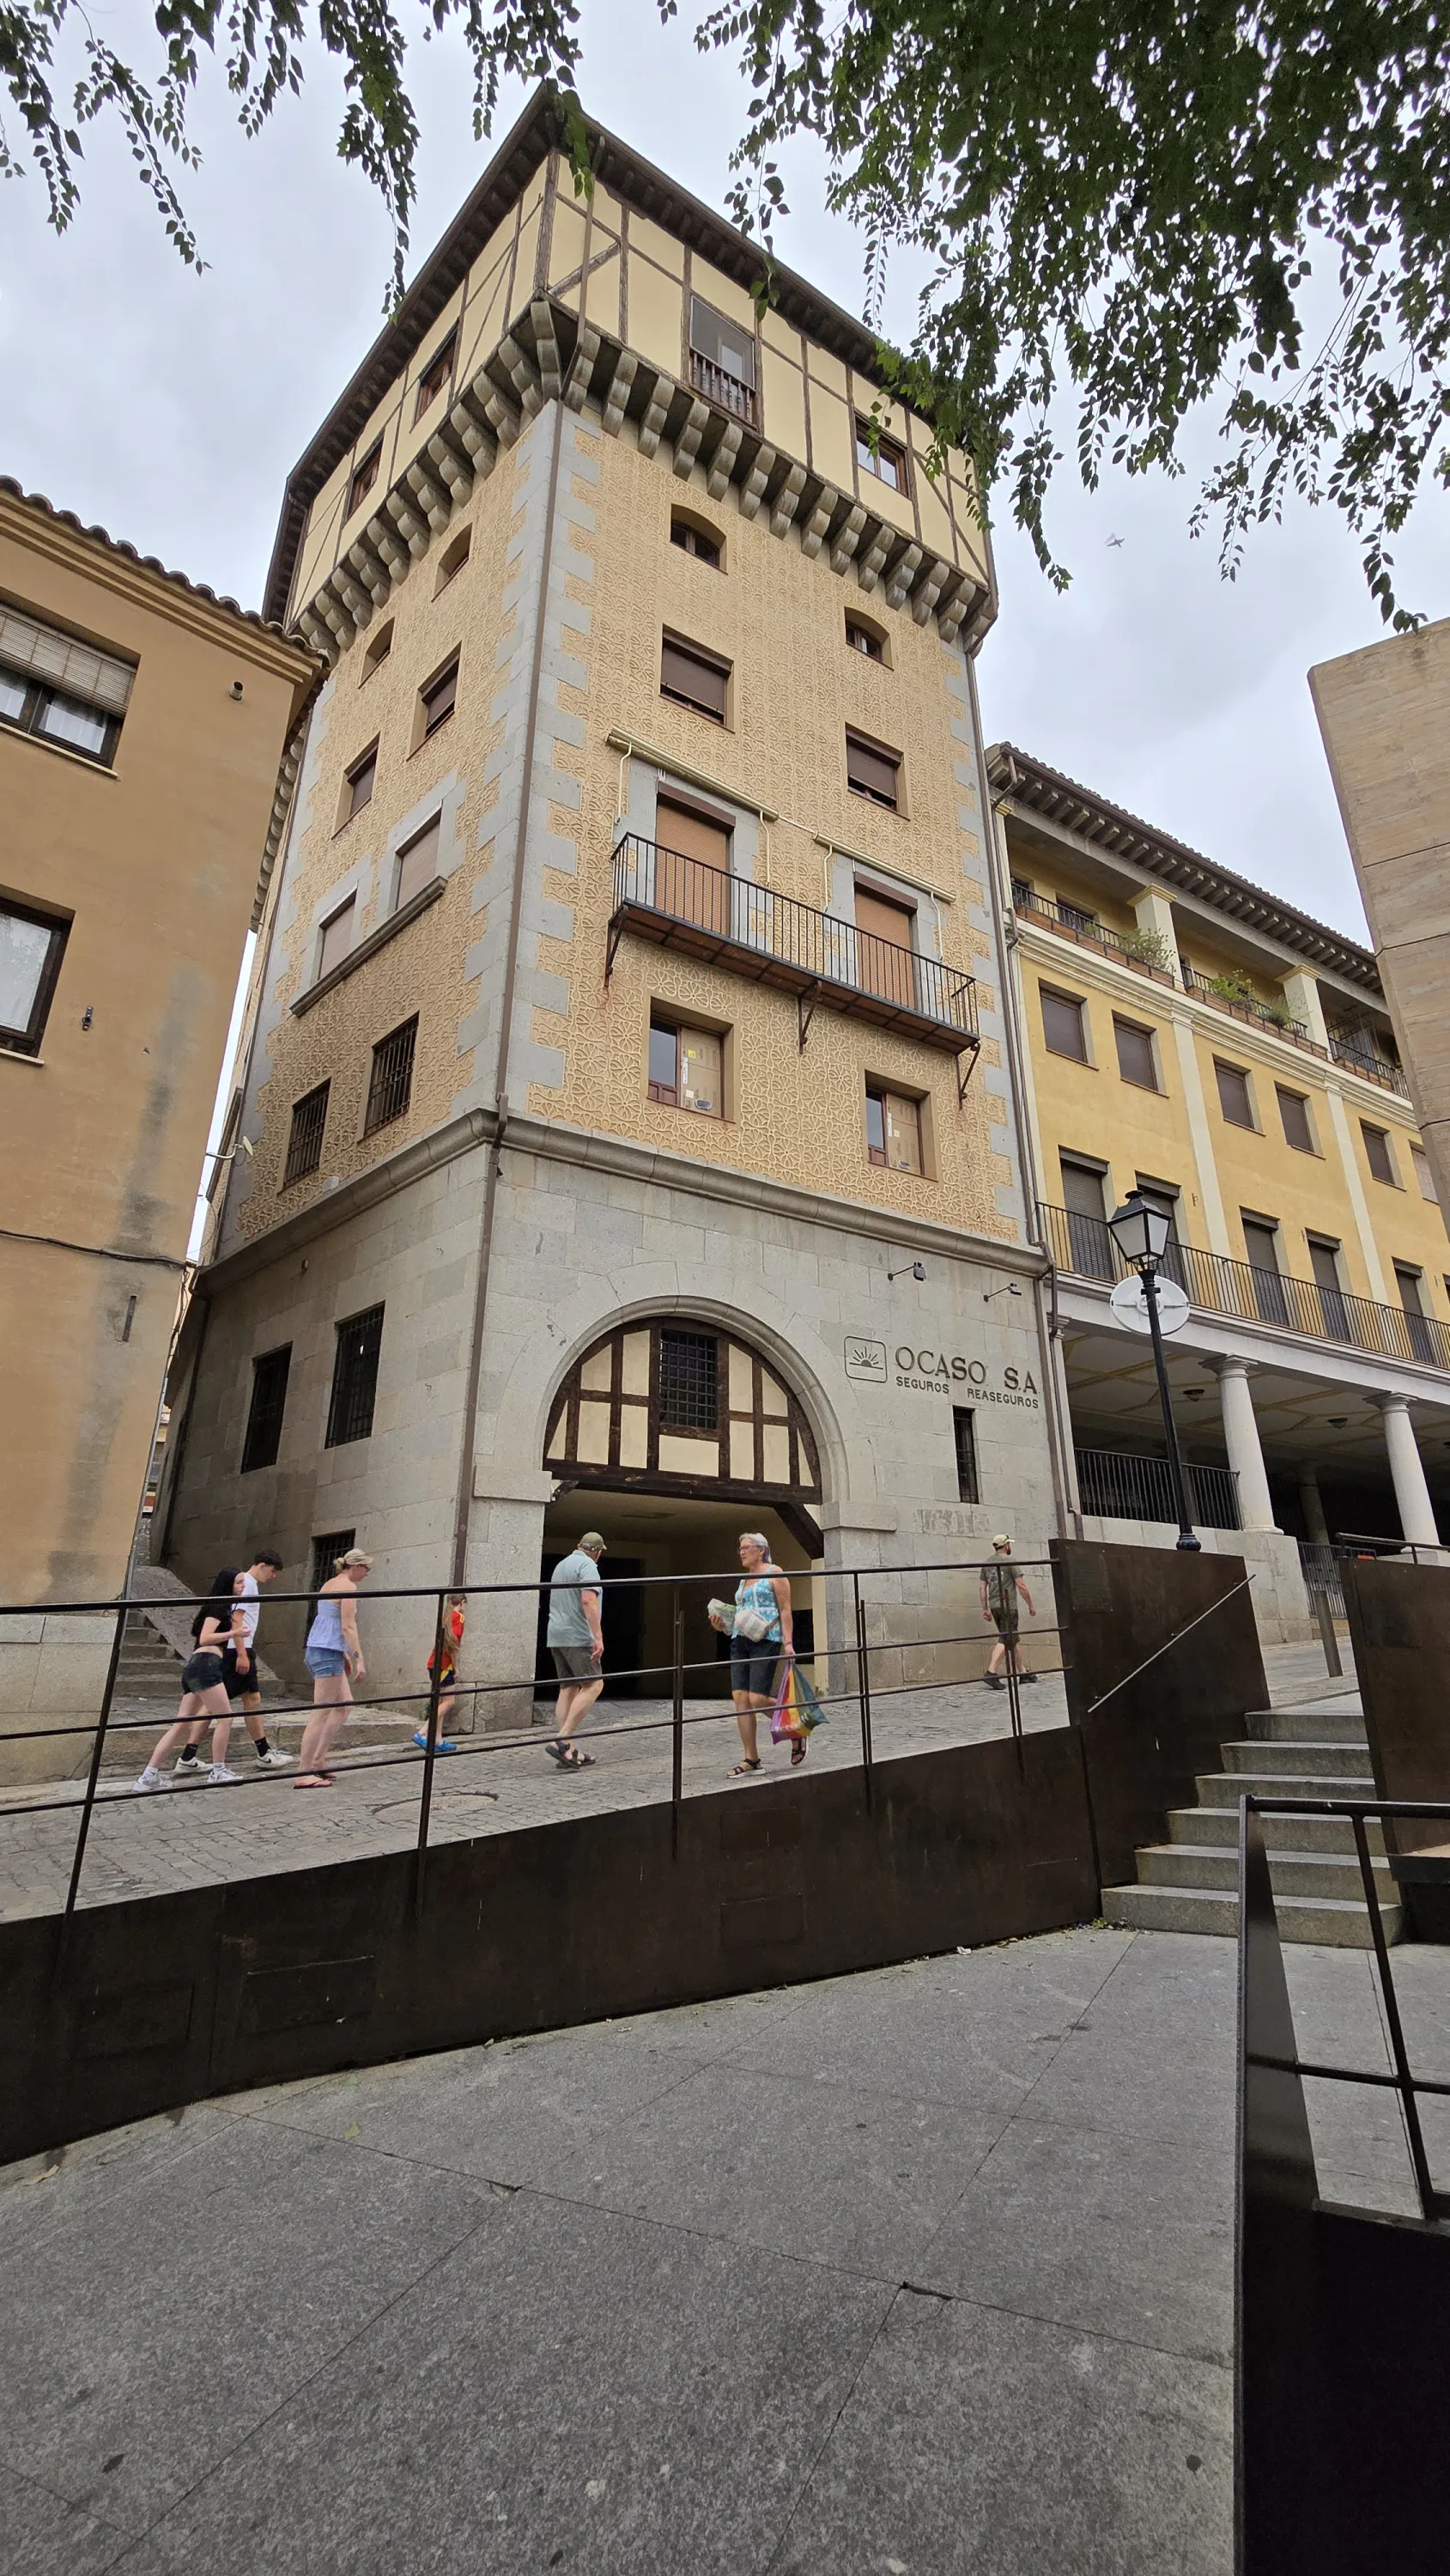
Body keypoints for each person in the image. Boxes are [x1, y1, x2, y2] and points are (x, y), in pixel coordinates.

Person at [174, 1548, 289, 1777]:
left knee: (234, 1701)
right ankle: (262, 1753)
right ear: (262, 1566)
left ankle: (189, 1755)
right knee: (240, 1701)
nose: (273, 1576)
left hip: (235, 1649)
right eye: (273, 1571)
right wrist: (242, 1653)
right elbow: (236, 1618)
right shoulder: (247, 1583)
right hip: (237, 1649)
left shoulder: (246, 1583)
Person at [131, 1571, 249, 1790]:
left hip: (197, 1665)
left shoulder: (218, 1607)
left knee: (181, 1724)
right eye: (239, 1582)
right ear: (227, 1584)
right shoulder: (218, 1607)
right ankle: (218, 1771)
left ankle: (148, 1776)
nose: (243, 1586)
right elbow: (205, 1638)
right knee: (226, 1718)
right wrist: (234, 1633)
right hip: (206, 1665)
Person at [712, 1530, 796, 1778]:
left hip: (765, 1640)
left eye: (746, 1547)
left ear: (761, 1550)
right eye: (740, 1548)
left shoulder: (775, 1573)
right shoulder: (743, 1581)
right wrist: (721, 1624)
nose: (742, 1551)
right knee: (740, 1698)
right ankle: (752, 1758)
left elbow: (785, 1609)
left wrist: (788, 1643)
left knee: (757, 1699)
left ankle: (795, 1726)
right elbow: (741, 1613)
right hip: (740, 1639)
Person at [295, 1548, 373, 1788]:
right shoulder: (348, 1587)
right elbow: (348, 1626)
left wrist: (343, 1654)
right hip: (327, 1652)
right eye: (366, 1568)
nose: (367, 1573)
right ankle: (303, 1772)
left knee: (344, 1705)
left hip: (324, 1649)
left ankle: (318, 1760)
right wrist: (359, 1658)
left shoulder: (329, 1583)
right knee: (320, 1713)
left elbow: (330, 1622)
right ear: (356, 1566)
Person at [544, 1532, 606, 1770]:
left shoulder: (561, 1566)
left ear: (578, 1545)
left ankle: (568, 1749)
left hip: (556, 1635)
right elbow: (588, 1600)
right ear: (597, 1553)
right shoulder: (588, 1566)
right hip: (578, 1636)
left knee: (568, 1688)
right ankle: (562, 1738)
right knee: (595, 1684)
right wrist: (598, 1636)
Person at [980, 1535, 1037, 1689]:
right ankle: (991, 1672)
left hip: (994, 1606)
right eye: (1009, 1544)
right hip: (1008, 1605)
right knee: (1006, 1637)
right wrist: (1031, 1605)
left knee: (1012, 1638)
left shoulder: (986, 1563)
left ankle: (1023, 1673)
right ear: (1006, 1546)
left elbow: (982, 1587)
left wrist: (985, 1608)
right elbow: (1021, 1585)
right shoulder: (1010, 1561)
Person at [415, 1594, 465, 1752]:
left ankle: (438, 1740)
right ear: (462, 1602)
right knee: (449, 1702)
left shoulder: (446, 1618)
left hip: (434, 1664)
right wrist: (456, 1667)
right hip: (444, 1666)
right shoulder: (459, 1618)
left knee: (441, 1703)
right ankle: (422, 1732)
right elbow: (454, 1646)